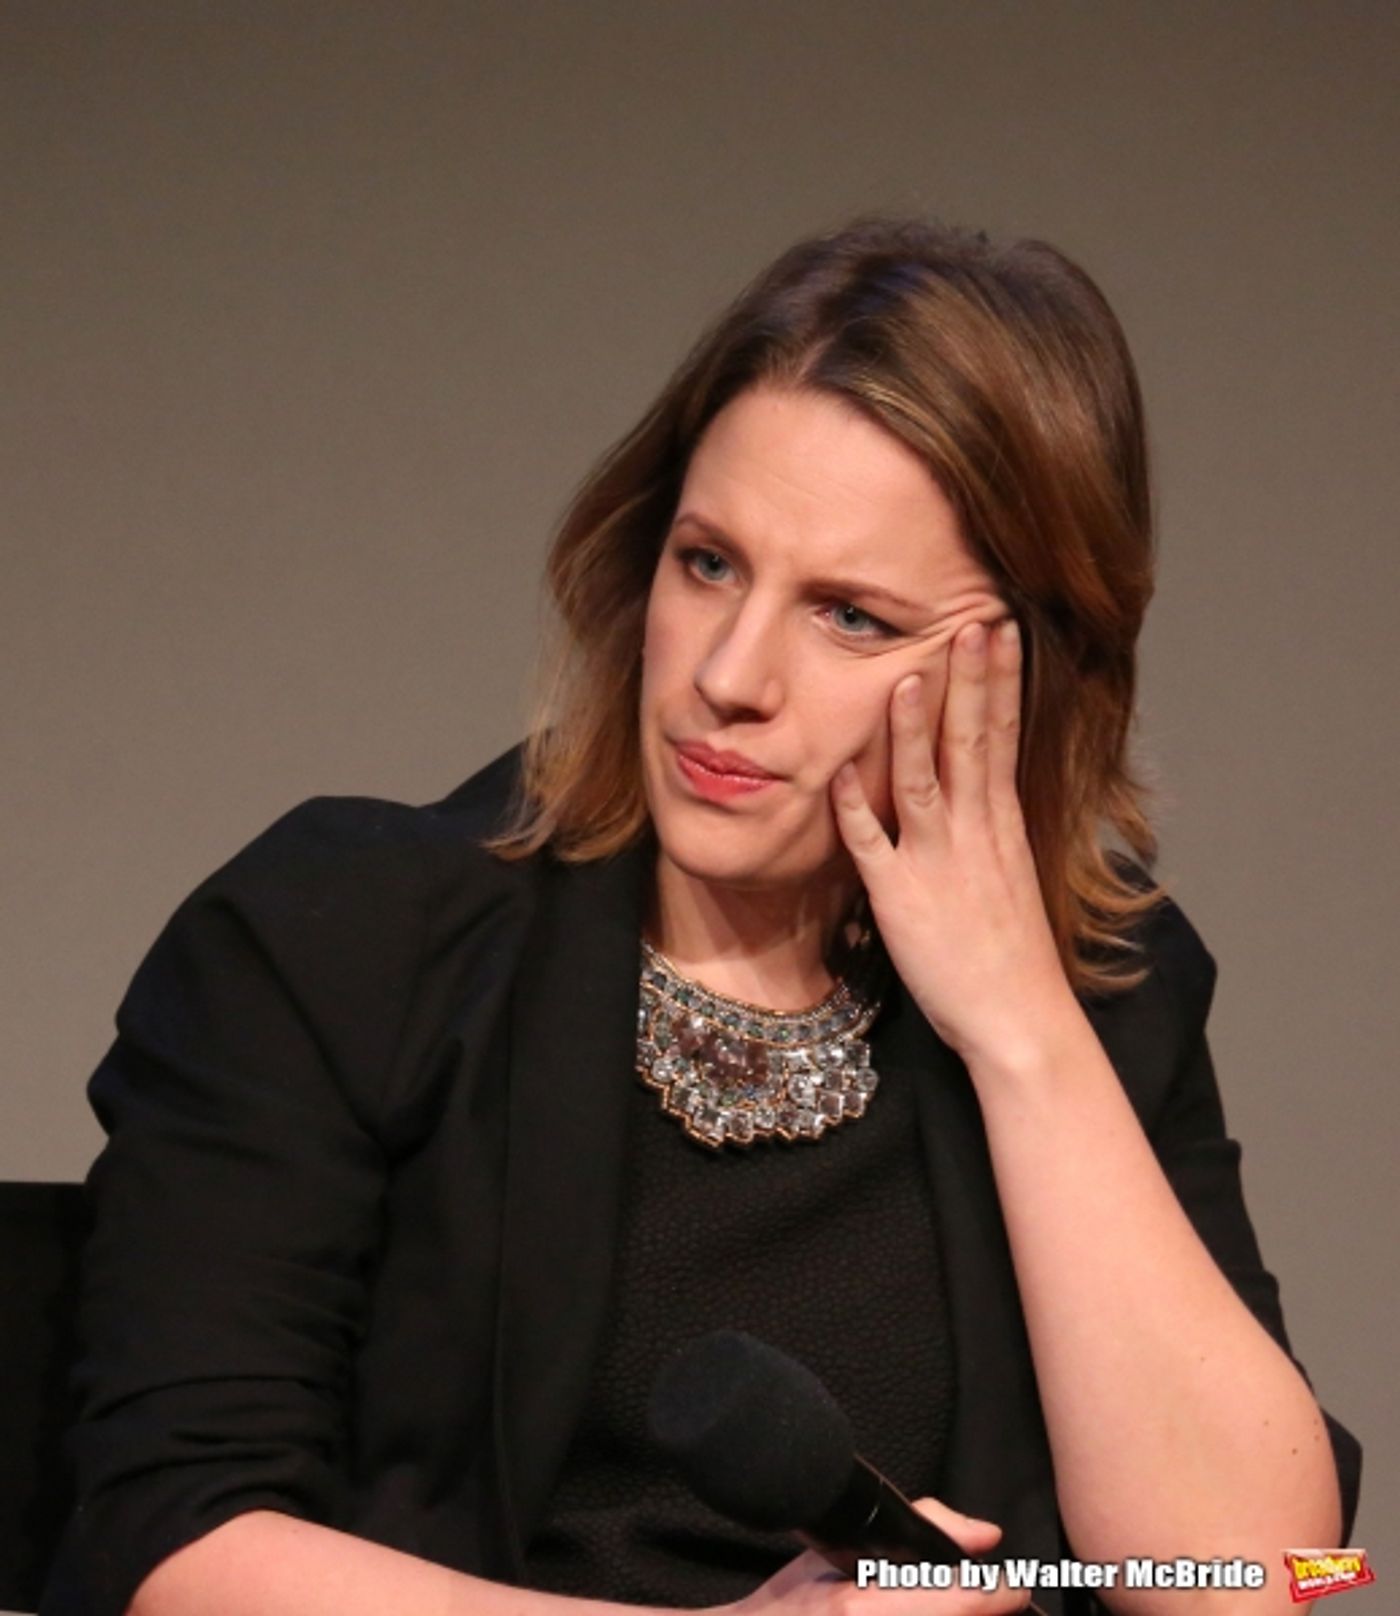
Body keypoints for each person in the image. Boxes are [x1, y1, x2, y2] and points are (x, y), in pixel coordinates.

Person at [42, 216, 1359, 1616]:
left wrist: (1023, 1032)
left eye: (849, 615)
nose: (730, 675)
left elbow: (1263, 1586)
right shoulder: (338, 937)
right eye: (710, 563)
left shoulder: (1109, 998)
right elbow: (169, 1550)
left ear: (1025, 674)